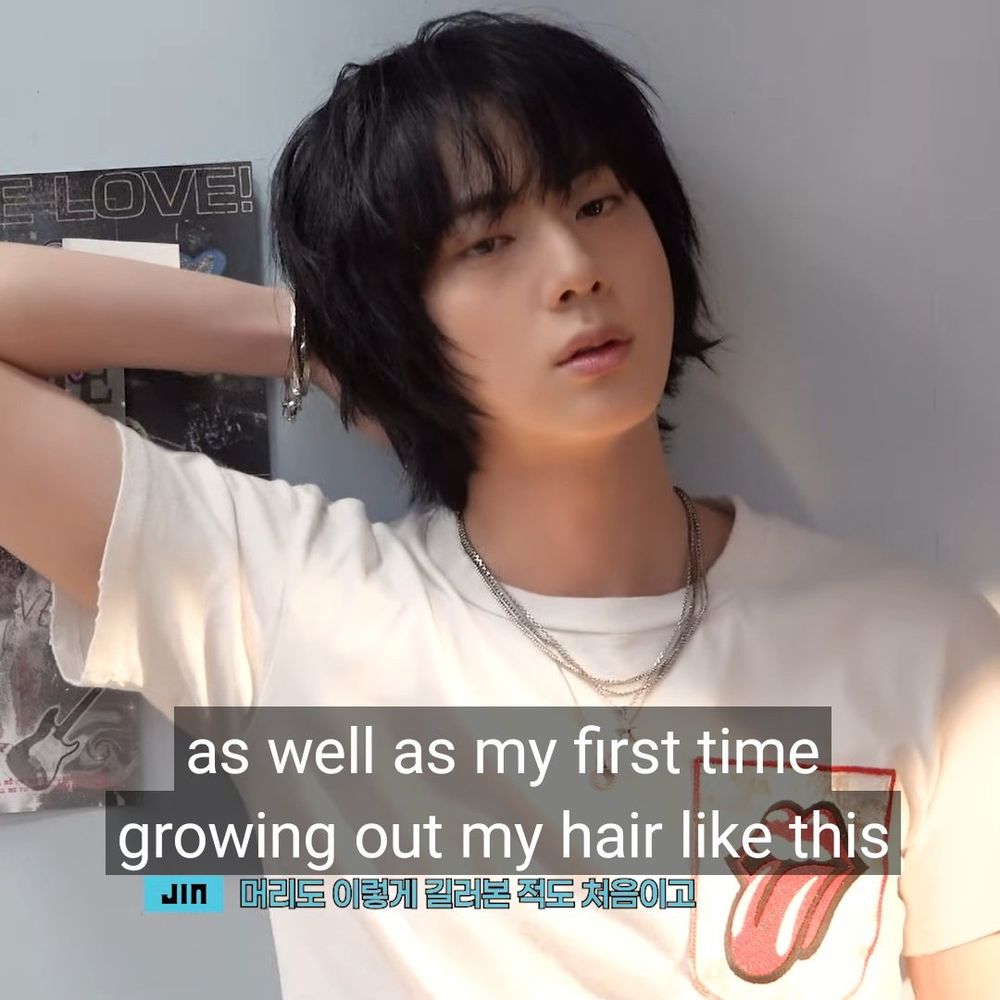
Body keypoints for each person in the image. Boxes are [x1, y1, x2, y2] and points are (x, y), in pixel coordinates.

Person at [1, 9, 997, 998]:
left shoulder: (926, 651)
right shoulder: (291, 608)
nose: (575, 270)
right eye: (486, 242)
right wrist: (312, 334)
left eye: (598, 202)